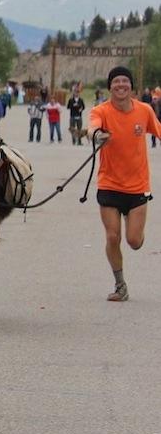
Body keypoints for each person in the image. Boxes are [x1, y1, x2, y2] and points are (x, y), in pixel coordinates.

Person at [89, 67, 161, 303]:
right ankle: (120, 285)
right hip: (109, 184)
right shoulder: (101, 111)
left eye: (125, 81)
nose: (121, 85)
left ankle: (134, 224)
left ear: (131, 86)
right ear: (110, 86)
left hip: (137, 187)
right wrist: (97, 134)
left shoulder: (145, 110)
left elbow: (158, 131)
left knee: (134, 241)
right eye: (116, 81)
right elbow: (92, 126)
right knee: (112, 237)